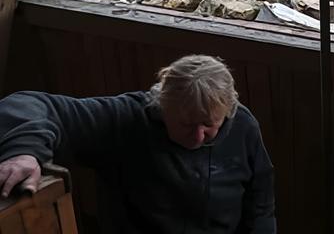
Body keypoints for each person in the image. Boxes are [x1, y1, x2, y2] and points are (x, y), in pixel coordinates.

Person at [0, 55, 275, 233]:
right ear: (162, 105)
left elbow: (260, 204)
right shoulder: (126, 119)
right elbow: (28, 105)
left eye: (209, 125)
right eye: (186, 125)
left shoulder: (242, 125)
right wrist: (25, 151)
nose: (198, 137)